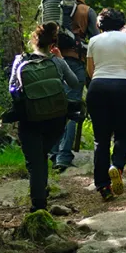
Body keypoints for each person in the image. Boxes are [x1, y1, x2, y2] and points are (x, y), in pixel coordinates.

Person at [4, 22, 82, 212]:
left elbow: (12, 89)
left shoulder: (20, 61)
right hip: (56, 119)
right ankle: (40, 195)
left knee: (36, 162)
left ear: (34, 41)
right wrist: (60, 59)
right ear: (53, 44)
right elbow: (74, 83)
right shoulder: (57, 61)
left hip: (30, 119)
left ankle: (38, 206)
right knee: (41, 157)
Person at [86, 8, 126, 201]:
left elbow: (90, 69)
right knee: (123, 133)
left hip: (97, 87)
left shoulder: (93, 41)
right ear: (121, 22)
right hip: (122, 87)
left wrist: (100, 81)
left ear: (100, 24)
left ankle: (103, 186)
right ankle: (117, 166)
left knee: (100, 139)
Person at [49, 31, 86, 171]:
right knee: (71, 111)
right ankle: (63, 156)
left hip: (53, 62)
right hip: (76, 62)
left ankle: (53, 153)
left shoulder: (53, 14)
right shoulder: (85, 11)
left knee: (55, 109)